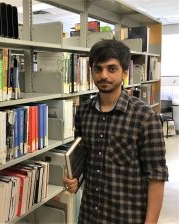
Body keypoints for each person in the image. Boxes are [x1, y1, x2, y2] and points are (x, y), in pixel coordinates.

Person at [63, 39, 168, 223]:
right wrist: (74, 181)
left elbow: (156, 177)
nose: (104, 75)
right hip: (89, 216)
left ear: (125, 72)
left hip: (126, 217)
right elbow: (83, 160)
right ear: (91, 71)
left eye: (112, 69)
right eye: (98, 69)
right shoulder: (83, 112)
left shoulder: (145, 117)